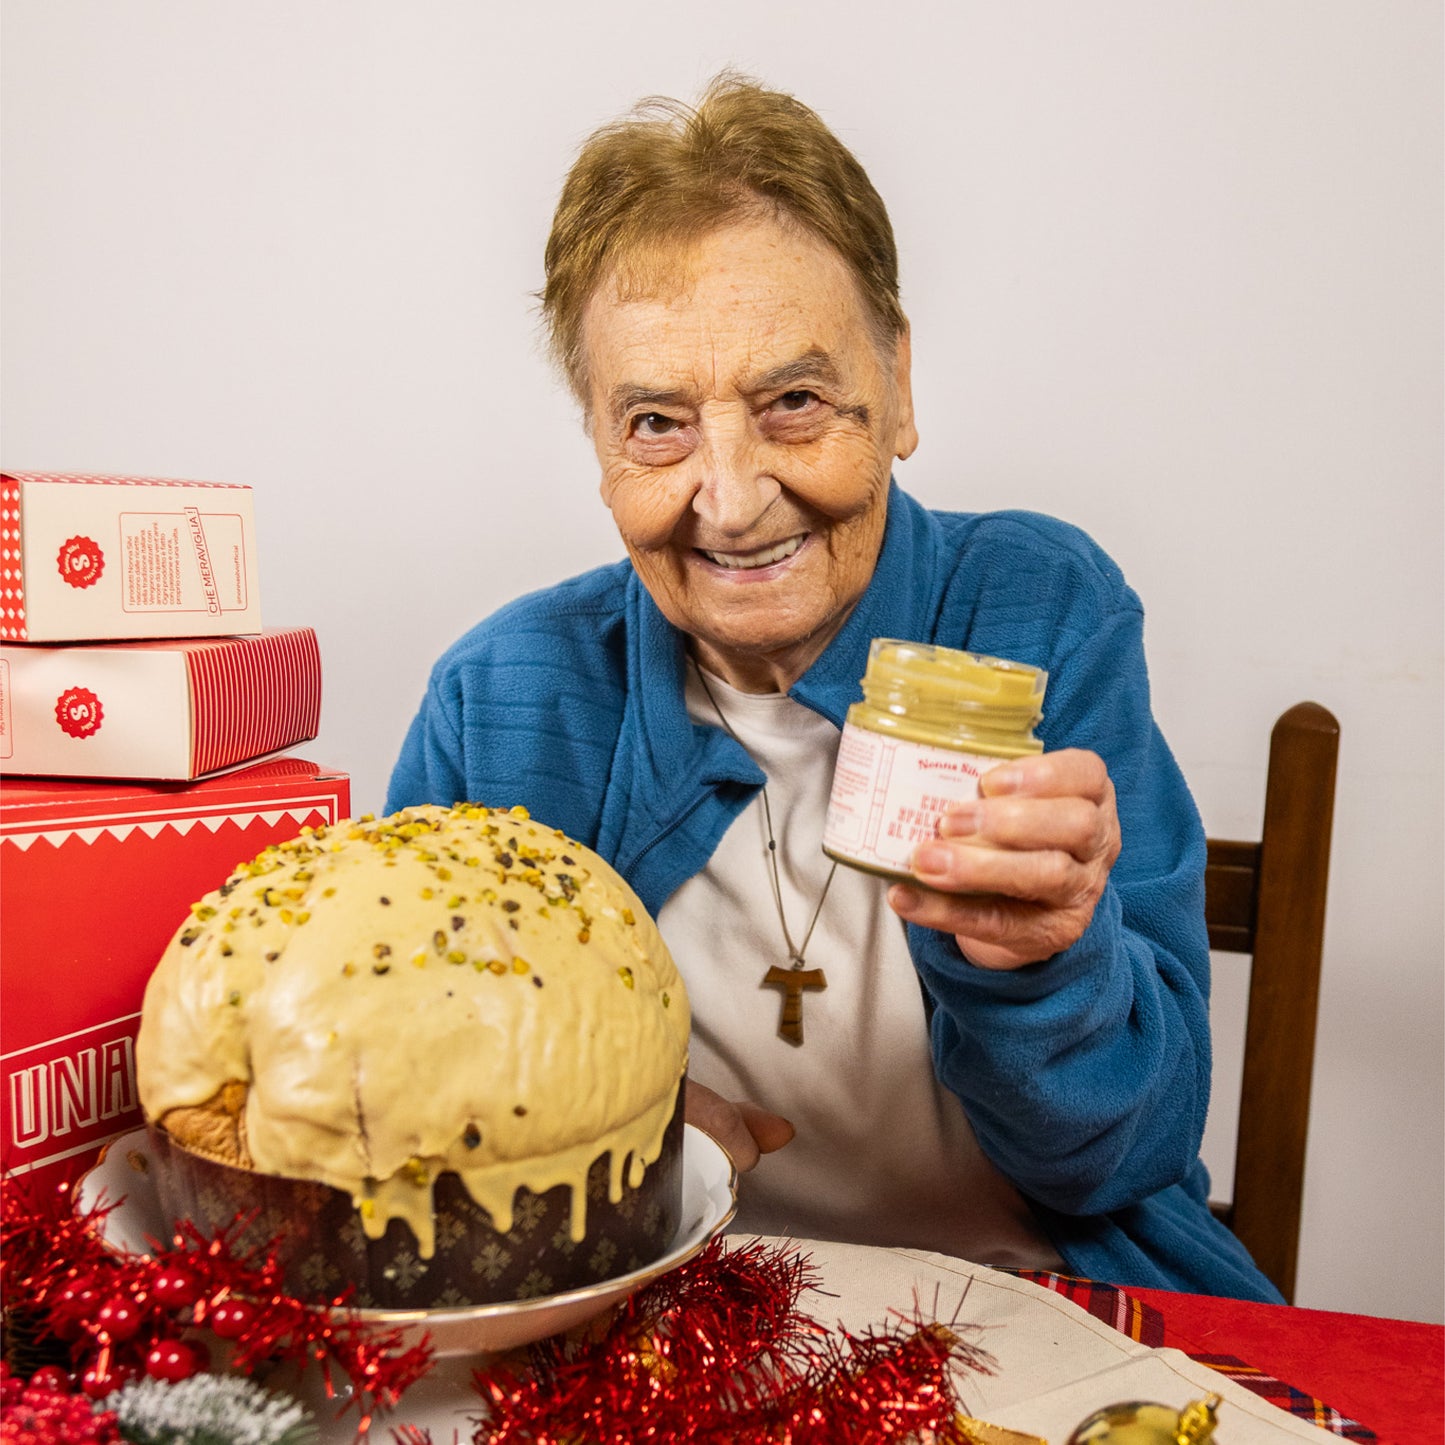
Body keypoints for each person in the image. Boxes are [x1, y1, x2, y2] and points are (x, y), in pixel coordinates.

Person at [388, 74, 1280, 1301]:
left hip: (1034, 1288)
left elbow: (1130, 1150)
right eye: (656, 422)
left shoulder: (1036, 613)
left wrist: (1044, 966)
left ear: (897, 384)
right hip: (658, 1314)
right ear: (594, 434)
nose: (733, 496)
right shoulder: (501, 697)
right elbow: (406, 1107)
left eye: (793, 402)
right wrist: (609, 1134)